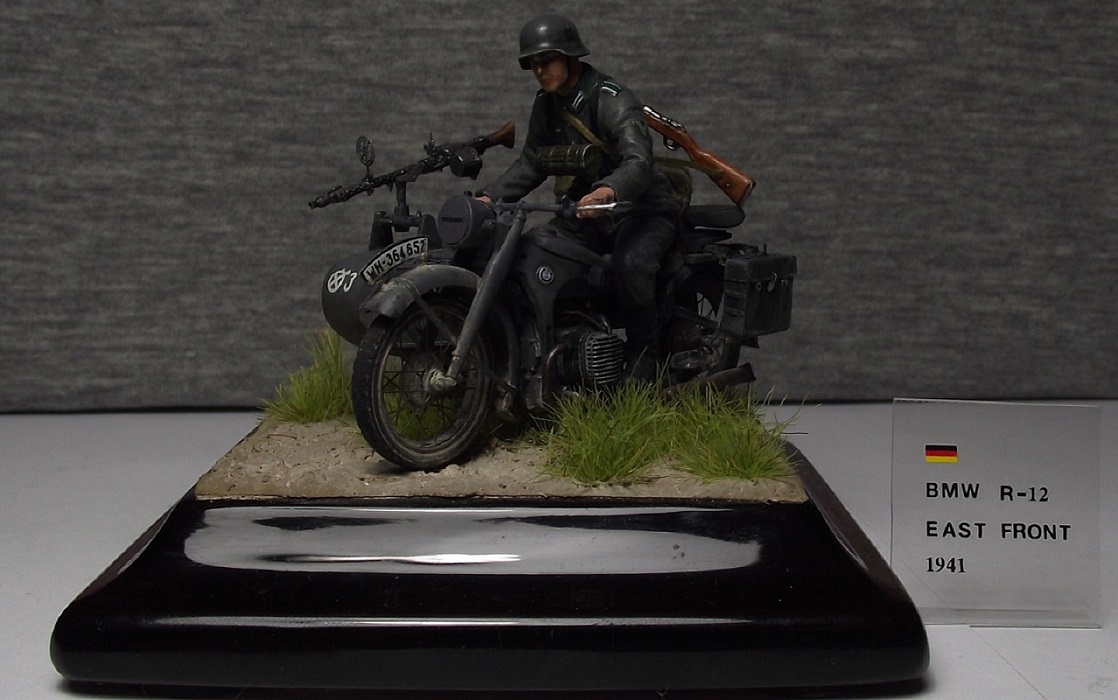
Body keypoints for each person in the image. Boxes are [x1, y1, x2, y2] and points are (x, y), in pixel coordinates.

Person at [476, 14, 679, 381]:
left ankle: (643, 355)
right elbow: (531, 163)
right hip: (585, 212)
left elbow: (639, 161)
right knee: (534, 250)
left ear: (570, 56)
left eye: (547, 61)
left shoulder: (611, 99)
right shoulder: (547, 104)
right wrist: (489, 198)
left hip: (641, 210)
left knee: (631, 264)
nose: (540, 71)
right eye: (533, 64)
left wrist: (608, 190)